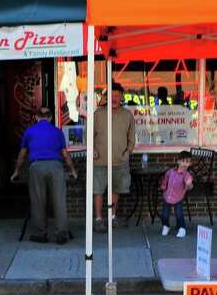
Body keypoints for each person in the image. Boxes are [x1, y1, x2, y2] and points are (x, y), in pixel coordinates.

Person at [13, 105, 77, 245]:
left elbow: (22, 154)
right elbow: (65, 154)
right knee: (59, 200)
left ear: (36, 117)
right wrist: (72, 170)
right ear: (50, 117)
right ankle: (61, 233)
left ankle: (42, 234)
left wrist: (17, 171)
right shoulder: (57, 131)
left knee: (38, 201)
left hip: (36, 166)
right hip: (56, 166)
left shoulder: (30, 131)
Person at [91, 82, 136, 232]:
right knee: (98, 190)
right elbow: (88, 134)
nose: (115, 98)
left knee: (116, 189)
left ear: (122, 97)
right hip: (100, 160)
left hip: (119, 160)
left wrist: (128, 152)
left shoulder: (127, 115)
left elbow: (131, 136)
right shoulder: (97, 114)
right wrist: (92, 149)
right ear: (107, 97)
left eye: (117, 95)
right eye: (112, 95)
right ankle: (98, 219)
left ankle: (112, 217)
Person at [159, 152, 194, 238]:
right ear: (178, 161)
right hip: (167, 196)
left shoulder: (187, 175)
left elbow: (189, 186)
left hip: (178, 197)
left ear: (190, 163)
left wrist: (189, 184)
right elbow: (165, 179)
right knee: (164, 214)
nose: (185, 164)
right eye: (183, 161)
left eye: (187, 162)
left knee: (179, 214)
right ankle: (166, 226)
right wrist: (163, 186)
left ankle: (182, 228)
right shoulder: (170, 172)